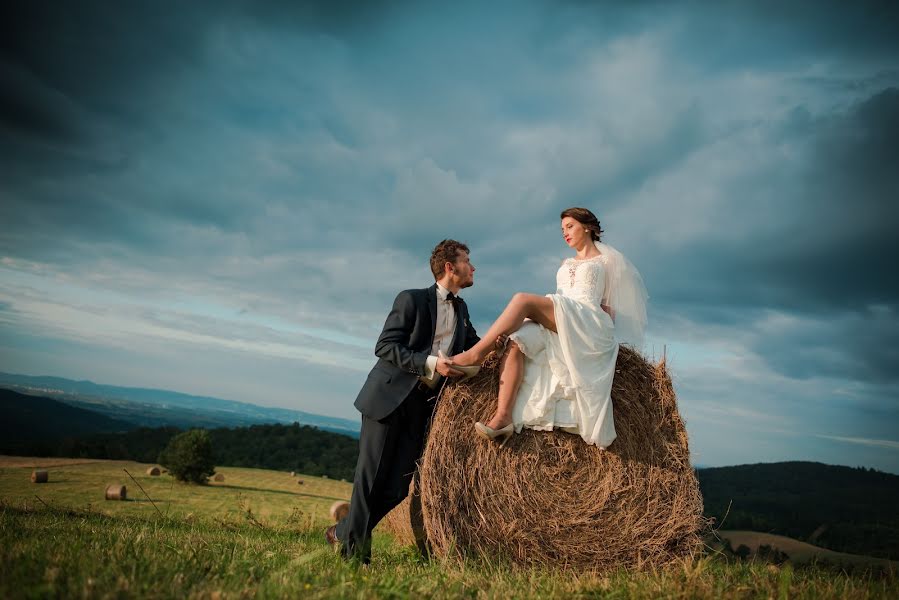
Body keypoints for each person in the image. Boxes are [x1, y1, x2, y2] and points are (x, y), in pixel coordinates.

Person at [327, 239, 488, 563]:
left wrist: (514, 340)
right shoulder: (411, 299)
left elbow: (475, 346)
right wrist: (431, 363)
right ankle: (354, 556)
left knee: (398, 489)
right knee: (370, 479)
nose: (473, 268)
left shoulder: (462, 309)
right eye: (468, 261)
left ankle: (343, 532)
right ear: (449, 267)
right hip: (387, 398)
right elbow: (385, 346)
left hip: (420, 408)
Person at [450, 208, 648, 448]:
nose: (565, 233)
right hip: (563, 316)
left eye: (570, 226)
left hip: (589, 321)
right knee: (517, 340)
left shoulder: (608, 261)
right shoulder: (566, 263)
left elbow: (609, 308)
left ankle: (474, 356)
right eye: (562, 229)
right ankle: (503, 416)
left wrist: (597, 339)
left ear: (587, 227)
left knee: (522, 300)